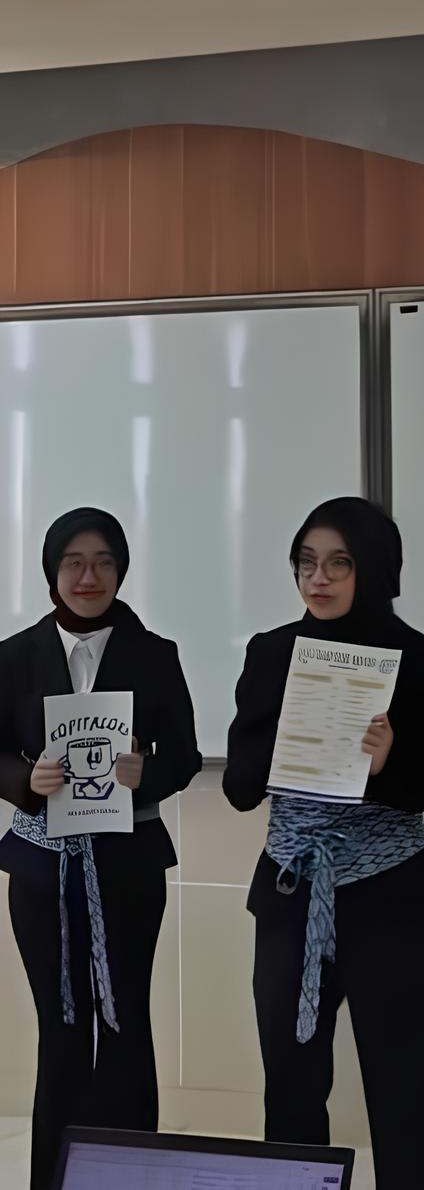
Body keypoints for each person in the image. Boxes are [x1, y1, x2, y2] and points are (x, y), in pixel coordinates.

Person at [224, 497, 424, 1190]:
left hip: (389, 892)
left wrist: (387, 765)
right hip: (290, 889)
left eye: (338, 564)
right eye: (306, 563)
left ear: (374, 569)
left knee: (403, 1083)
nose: (318, 579)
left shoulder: (420, 658)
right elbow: (240, 787)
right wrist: (281, 733)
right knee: (291, 1081)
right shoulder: (271, 653)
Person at [0, 508, 201, 1190]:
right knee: (61, 1030)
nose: (89, 577)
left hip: (129, 865)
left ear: (121, 570)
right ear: (52, 571)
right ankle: (53, 1181)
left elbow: (185, 755)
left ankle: (130, 1178)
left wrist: (151, 771)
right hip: (41, 870)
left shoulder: (156, 653)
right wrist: (23, 781)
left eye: (104, 562)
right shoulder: (14, 654)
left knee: (126, 1024)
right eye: (74, 563)